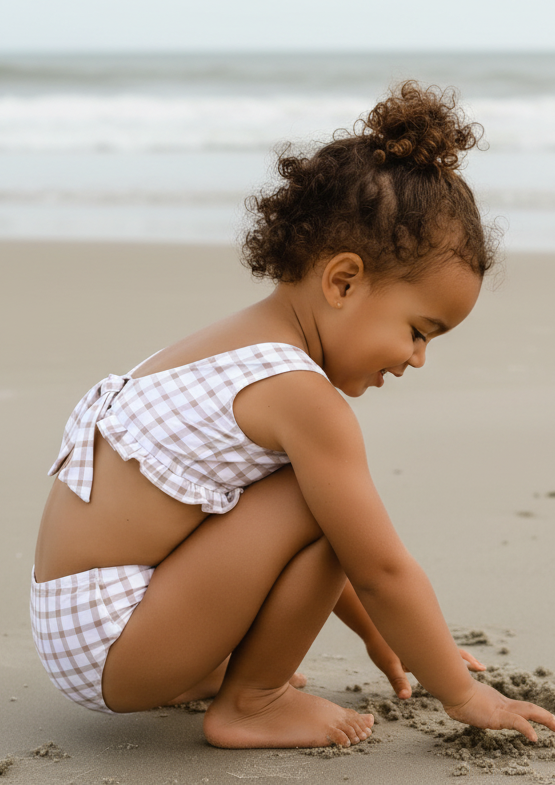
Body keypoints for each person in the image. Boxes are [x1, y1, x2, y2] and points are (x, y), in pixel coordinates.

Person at [31, 82, 555, 750]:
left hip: (81, 629)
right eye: (419, 331)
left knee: (308, 500)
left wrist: (379, 635)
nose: (417, 359)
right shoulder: (301, 397)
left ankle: (215, 673)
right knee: (320, 502)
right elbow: (377, 566)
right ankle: (253, 701)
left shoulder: (228, 348)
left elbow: (296, 549)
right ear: (342, 281)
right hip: (117, 647)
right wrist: (458, 689)